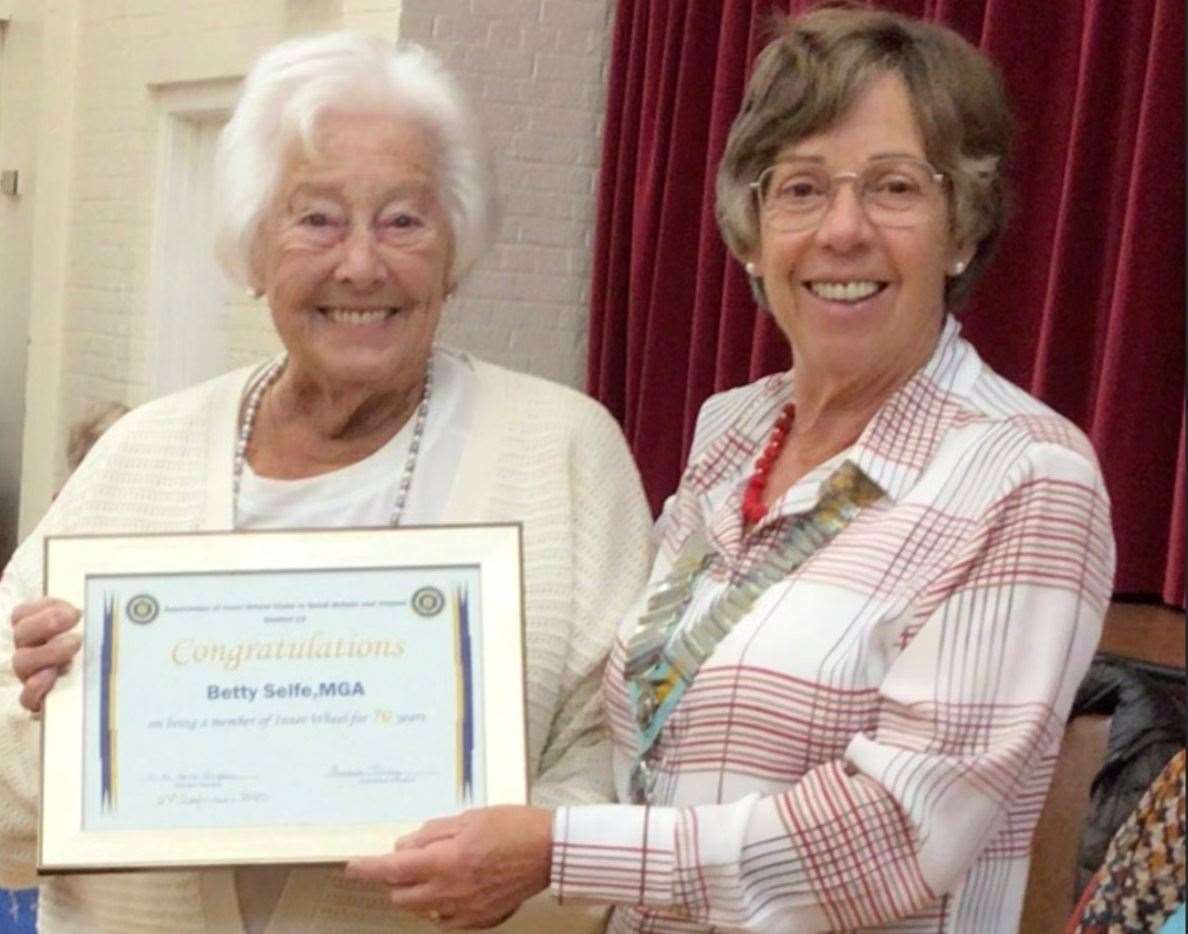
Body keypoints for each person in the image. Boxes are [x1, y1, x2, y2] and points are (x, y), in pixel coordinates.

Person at [346, 8, 1116, 932]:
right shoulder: (732, 431)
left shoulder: (1028, 478)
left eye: (895, 187)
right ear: (752, 232)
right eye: (798, 189)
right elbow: (640, 725)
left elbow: (897, 838)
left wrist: (556, 849)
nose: (843, 230)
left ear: (963, 229)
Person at [0, 31, 652, 934]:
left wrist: (525, 859)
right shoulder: (137, 457)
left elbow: (620, 758)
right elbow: (8, 810)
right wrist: (55, 718)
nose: (360, 264)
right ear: (255, 246)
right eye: (315, 219)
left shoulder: (563, 452)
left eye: (403, 219)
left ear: (455, 246)